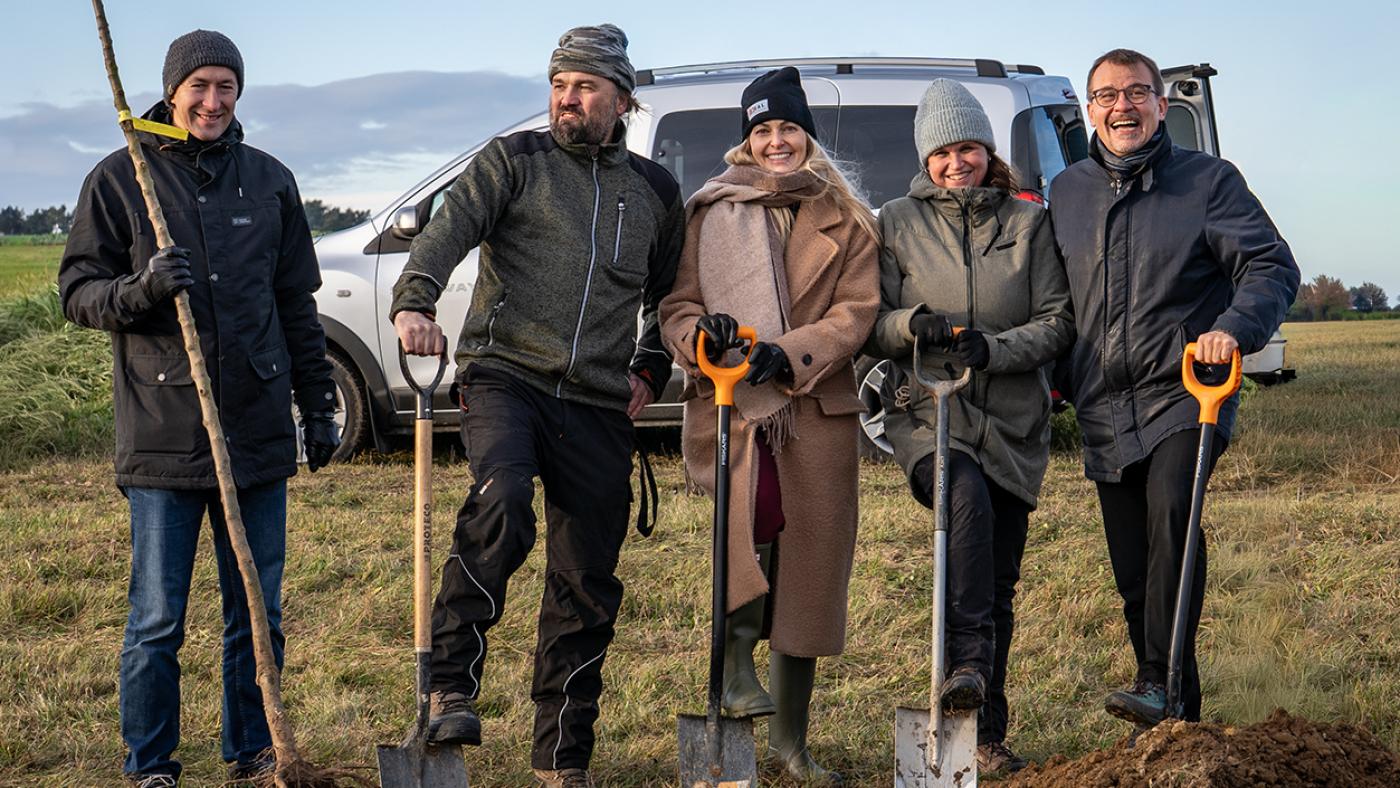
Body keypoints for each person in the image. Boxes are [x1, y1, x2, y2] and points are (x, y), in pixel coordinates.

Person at [389, 23, 683, 788]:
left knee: (587, 581)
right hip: (505, 375)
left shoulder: (654, 192)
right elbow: (448, 230)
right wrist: (415, 299)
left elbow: (670, 293)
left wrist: (651, 365)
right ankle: (449, 688)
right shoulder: (513, 162)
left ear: (622, 100)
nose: (566, 99)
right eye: (558, 85)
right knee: (503, 502)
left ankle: (563, 757)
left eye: (584, 86)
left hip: (597, 400)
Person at [57, 30, 339, 787]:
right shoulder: (121, 179)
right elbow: (77, 293)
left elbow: (296, 305)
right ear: (172, 91)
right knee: (157, 618)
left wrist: (317, 404)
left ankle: (254, 751)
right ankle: (151, 764)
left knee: (259, 611)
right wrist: (139, 290)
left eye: (226, 87)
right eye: (199, 87)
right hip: (163, 429)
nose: (213, 102)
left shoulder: (269, 181)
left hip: (256, 427)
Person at [1049, 48, 1299, 728]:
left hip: (1185, 393)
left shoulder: (1208, 182)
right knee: (1134, 568)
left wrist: (1231, 329)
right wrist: (1055, 374)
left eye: (1137, 92)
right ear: (1090, 110)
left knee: (1171, 526)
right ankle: (1173, 716)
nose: (1122, 106)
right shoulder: (1067, 192)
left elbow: (1271, 265)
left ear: (1162, 105)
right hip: (1102, 402)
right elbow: (1053, 298)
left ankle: (1158, 683)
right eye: (1107, 95)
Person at [659, 66, 878, 784]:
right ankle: (733, 672)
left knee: (810, 572)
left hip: (814, 409)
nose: (776, 141)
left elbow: (856, 312)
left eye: (788, 128)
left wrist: (787, 352)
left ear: (807, 136)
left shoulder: (847, 217)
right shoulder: (709, 211)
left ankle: (791, 743)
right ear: (746, 141)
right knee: (751, 527)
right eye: (763, 130)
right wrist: (703, 338)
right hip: (737, 407)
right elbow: (677, 308)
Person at [864, 78, 1073, 776]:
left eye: (969, 149)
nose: (957, 163)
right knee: (964, 500)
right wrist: (910, 325)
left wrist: (995, 349)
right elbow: (870, 320)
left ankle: (984, 736)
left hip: (1012, 420)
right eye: (943, 152)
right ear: (925, 159)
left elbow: (1058, 321)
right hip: (933, 412)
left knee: (997, 578)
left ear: (988, 150)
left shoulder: (1028, 224)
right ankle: (969, 664)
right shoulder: (896, 222)